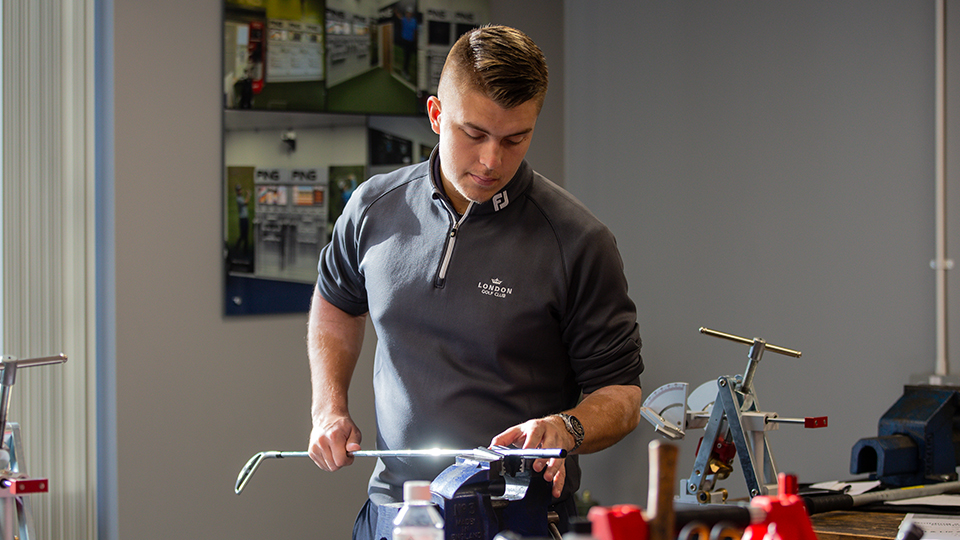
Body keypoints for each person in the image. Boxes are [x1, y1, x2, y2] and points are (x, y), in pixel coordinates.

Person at [307, 25, 644, 540]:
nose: (492, 161)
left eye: (515, 139)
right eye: (475, 134)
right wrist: (329, 406)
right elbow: (337, 302)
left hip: (520, 519)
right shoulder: (373, 207)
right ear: (437, 116)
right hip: (392, 514)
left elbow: (622, 395)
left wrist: (566, 428)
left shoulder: (578, 241)